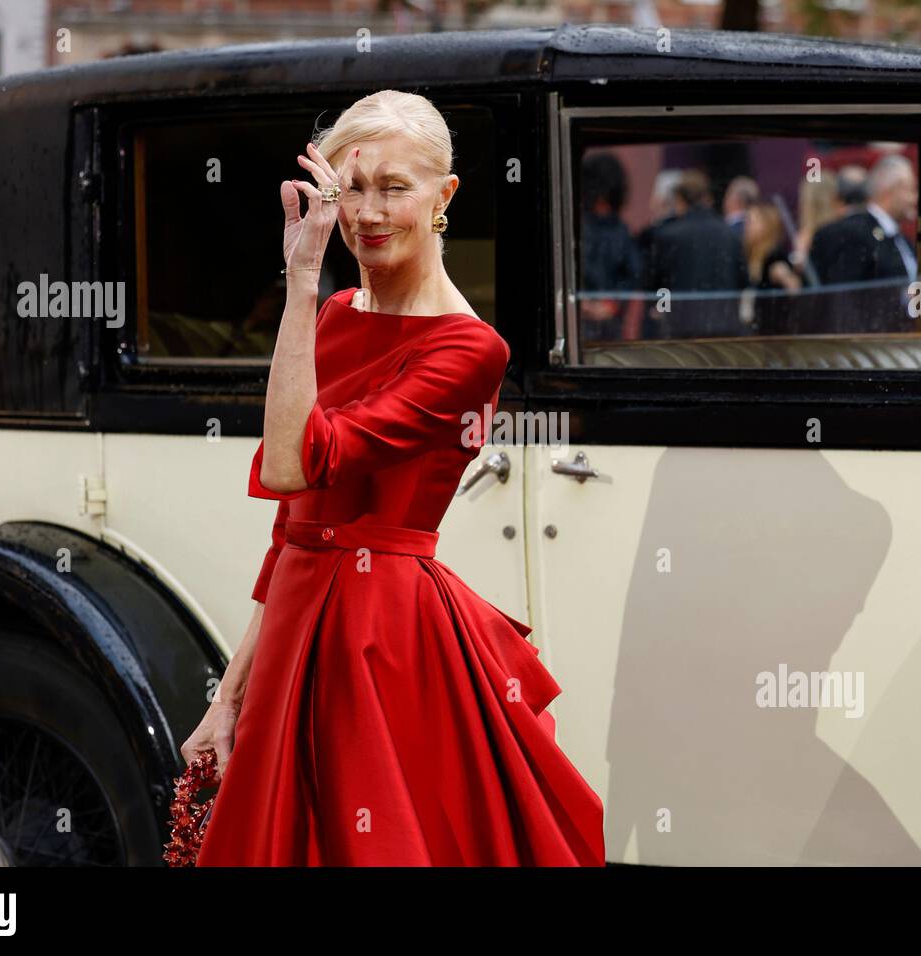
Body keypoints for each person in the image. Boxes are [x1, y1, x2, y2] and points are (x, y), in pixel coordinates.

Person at [185, 90, 606, 866]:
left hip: (377, 638)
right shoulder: (339, 310)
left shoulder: (471, 350)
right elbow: (292, 526)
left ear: (444, 196)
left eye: (393, 188)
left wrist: (300, 277)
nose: (367, 214)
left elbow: (292, 462)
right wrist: (229, 694)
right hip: (295, 621)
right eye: (350, 190)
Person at [807, 154, 919, 333]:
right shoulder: (852, 232)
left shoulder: (903, 240)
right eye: (911, 190)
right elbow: (844, 305)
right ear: (889, 190)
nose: (915, 199)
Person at [643, 168, 746, 338]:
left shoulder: (667, 235)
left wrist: (663, 311)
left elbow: (657, 284)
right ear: (706, 198)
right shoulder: (729, 235)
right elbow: (742, 280)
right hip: (724, 328)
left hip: (681, 329)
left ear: (680, 200)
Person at [579, 151, 642, 343]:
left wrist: (611, 305)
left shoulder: (618, 230)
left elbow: (632, 274)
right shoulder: (615, 229)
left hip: (607, 320)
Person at [740, 199, 802, 334]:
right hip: (759, 327)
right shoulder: (751, 256)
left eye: (751, 222)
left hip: (774, 329)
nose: (747, 227)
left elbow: (793, 287)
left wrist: (786, 277)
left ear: (766, 225)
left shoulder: (774, 256)